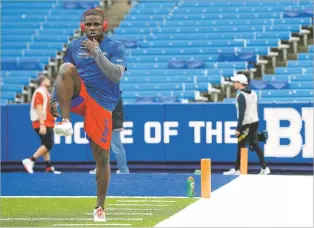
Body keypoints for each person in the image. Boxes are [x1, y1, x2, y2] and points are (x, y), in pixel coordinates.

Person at [49, 8, 127, 222]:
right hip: (80, 96)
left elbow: (115, 75)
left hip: (102, 102)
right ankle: (65, 121)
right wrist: (54, 97)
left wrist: (96, 52)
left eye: (96, 24)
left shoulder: (115, 47)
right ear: (83, 26)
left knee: (102, 157)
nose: (92, 28)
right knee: (65, 66)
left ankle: (99, 207)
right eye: (88, 25)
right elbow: (63, 74)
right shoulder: (74, 46)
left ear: (104, 25)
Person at [223, 74, 270, 175]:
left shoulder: (241, 95)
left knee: (241, 146)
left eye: (235, 82)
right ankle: (264, 167)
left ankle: (237, 170)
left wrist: (238, 128)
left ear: (240, 83)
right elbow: (256, 109)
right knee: (255, 145)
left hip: (246, 125)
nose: (234, 84)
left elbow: (242, 113)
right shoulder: (253, 93)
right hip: (254, 122)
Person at [22, 76, 61, 174]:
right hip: (43, 123)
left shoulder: (46, 92)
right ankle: (31, 160)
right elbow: (38, 108)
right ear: (42, 82)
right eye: (47, 79)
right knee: (48, 145)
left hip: (48, 122)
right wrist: (42, 124)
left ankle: (48, 167)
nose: (49, 80)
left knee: (45, 145)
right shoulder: (40, 92)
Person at [90, 96, 130, 175]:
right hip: (113, 123)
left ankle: (123, 169)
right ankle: (122, 169)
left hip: (110, 124)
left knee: (114, 147)